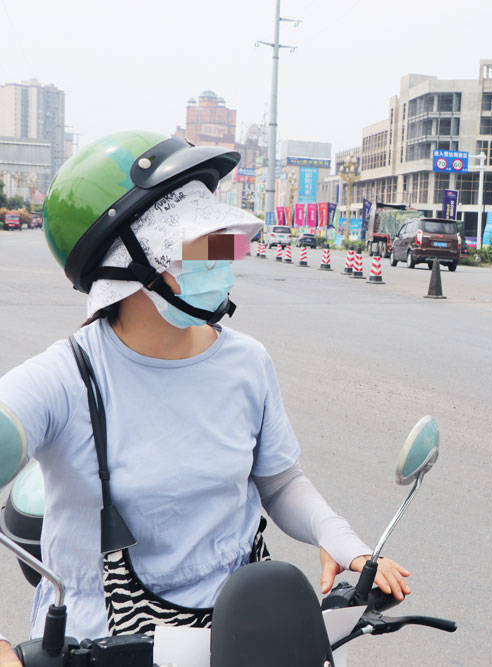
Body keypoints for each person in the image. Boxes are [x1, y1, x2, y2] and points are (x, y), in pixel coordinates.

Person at [0, 131, 410, 662]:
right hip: (100, 647)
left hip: (235, 640)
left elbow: (280, 480)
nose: (222, 260)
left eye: (223, 243)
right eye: (199, 246)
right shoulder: (65, 378)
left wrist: (342, 543)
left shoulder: (247, 362)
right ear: (125, 264)